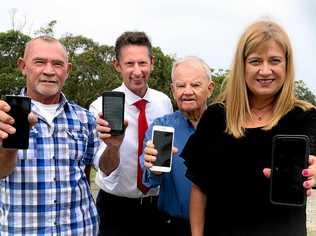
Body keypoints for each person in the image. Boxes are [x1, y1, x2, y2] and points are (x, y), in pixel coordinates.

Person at [182, 20, 316, 236]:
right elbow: (199, 188)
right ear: (242, 65)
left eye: (274, 61)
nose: (265, 71)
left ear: (286, 65)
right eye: (255, 61)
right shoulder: (215, 117)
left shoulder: (305, 118)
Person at [0, 36, 102, 235]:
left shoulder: (85, 118)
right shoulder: (5, 115)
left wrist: (115, 145)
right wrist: (8, 147)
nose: (49, 71)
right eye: (39, 62)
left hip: (81, 229)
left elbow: (91, 171)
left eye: (57, 64)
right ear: (23, 66)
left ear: (68, 70)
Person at [89, 31, 173, 235]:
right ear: (117, 65)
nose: (137, 71)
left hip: (156, 207)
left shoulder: (164, 102)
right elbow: (105, 169)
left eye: (142, 63)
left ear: (152, 62)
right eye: (129, 64)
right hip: (114, 209)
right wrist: (113, 146)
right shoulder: (100, 107)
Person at [142, 56, 214, 235]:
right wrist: (154, 167)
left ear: (210, 89)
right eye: (181, 86)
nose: (187, 91)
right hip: (171, 226)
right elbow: (150, 180)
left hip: (219, 226)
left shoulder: (227, 126)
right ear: (173, 90)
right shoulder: (163, 127)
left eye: (195, 85)